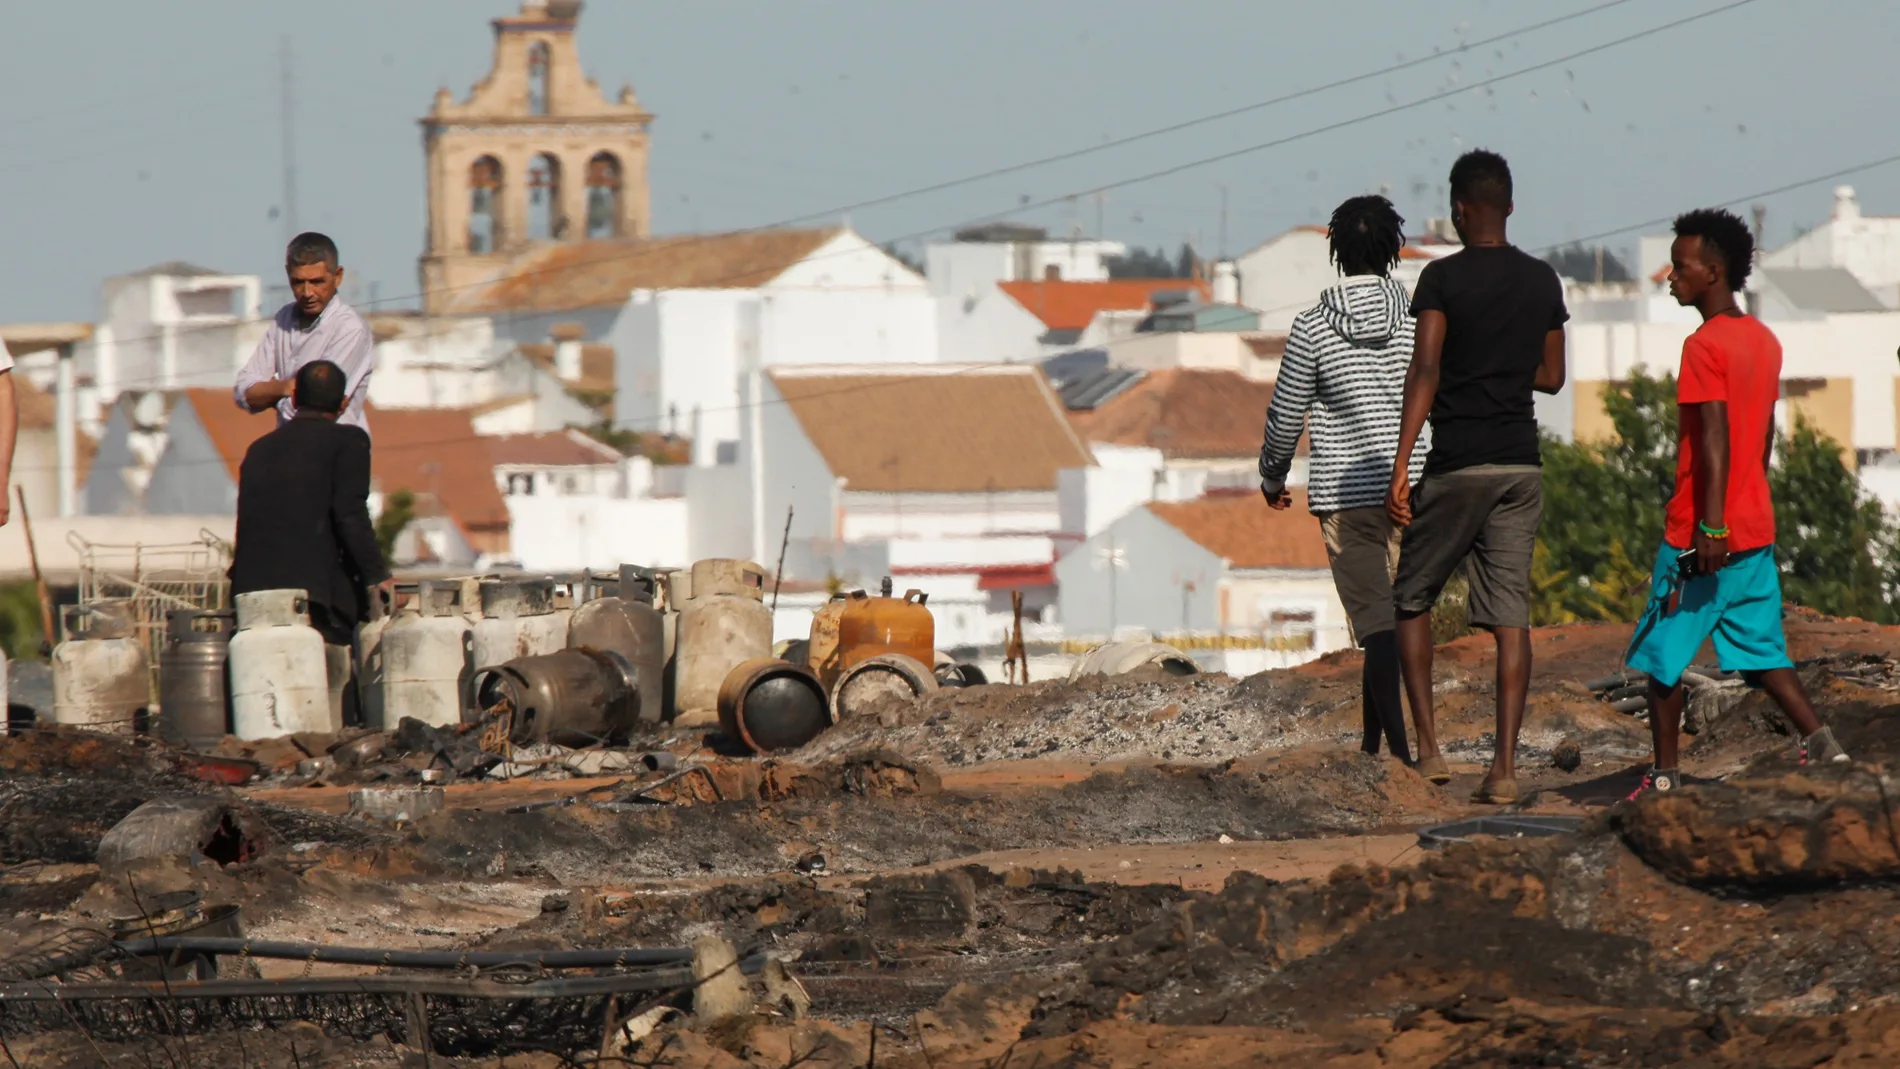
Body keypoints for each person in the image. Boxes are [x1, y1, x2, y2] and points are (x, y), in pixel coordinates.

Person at [1624, 209, 1849, 796]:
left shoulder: (1703, 346)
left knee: (1663, 656)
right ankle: (1826, 748)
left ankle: (1666, 776)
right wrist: (1742, 508)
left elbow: (1714, 436)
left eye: (1680, 265)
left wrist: (1711, 526)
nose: (1670, 275)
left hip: (1703, 533)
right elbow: (1765, 434)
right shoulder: (1763, 341)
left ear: (1713, 272)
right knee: (1763, 651)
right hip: (1753, 523)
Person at [1385, 150, 1568, 802]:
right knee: (1510, 617)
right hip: (1520, 462)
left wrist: (1402, 464)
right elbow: (1552, 376)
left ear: (1459, 209)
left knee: (1411, 596)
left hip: (1458, 462)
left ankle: (1431, 750)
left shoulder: (1441, 280)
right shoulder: (1543, 280)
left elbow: (1425, 370)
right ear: (1509, 206)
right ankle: (1505, 768)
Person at [1261, 194, 1423, 764]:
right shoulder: (1418, 317)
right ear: (1391, 249)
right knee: (1396, 619)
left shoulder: (1311, 327)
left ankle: (1401, 758)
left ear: (1336, 252)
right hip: (1416, 486)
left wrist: (1272, 476)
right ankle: (1372, 744)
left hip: (1346, 493)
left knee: (1376, 626)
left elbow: (1286, 413)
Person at [228, 360, 391, 720]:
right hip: (314, 597)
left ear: (295, 397)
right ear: (344, 403)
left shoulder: (259, 449)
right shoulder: (349, 441)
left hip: (250, 593)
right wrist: (376, 575)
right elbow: (349, 513)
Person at [234, 232, 374, 433]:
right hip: (290, 450)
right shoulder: (284, 319)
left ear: (337, 277)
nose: (307, 293)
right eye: (298, 282)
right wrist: (284, 388)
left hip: (335, 452)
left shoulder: (349, 328)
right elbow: (243, 392)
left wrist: (268, 395)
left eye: (317, 282)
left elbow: (315, 407)